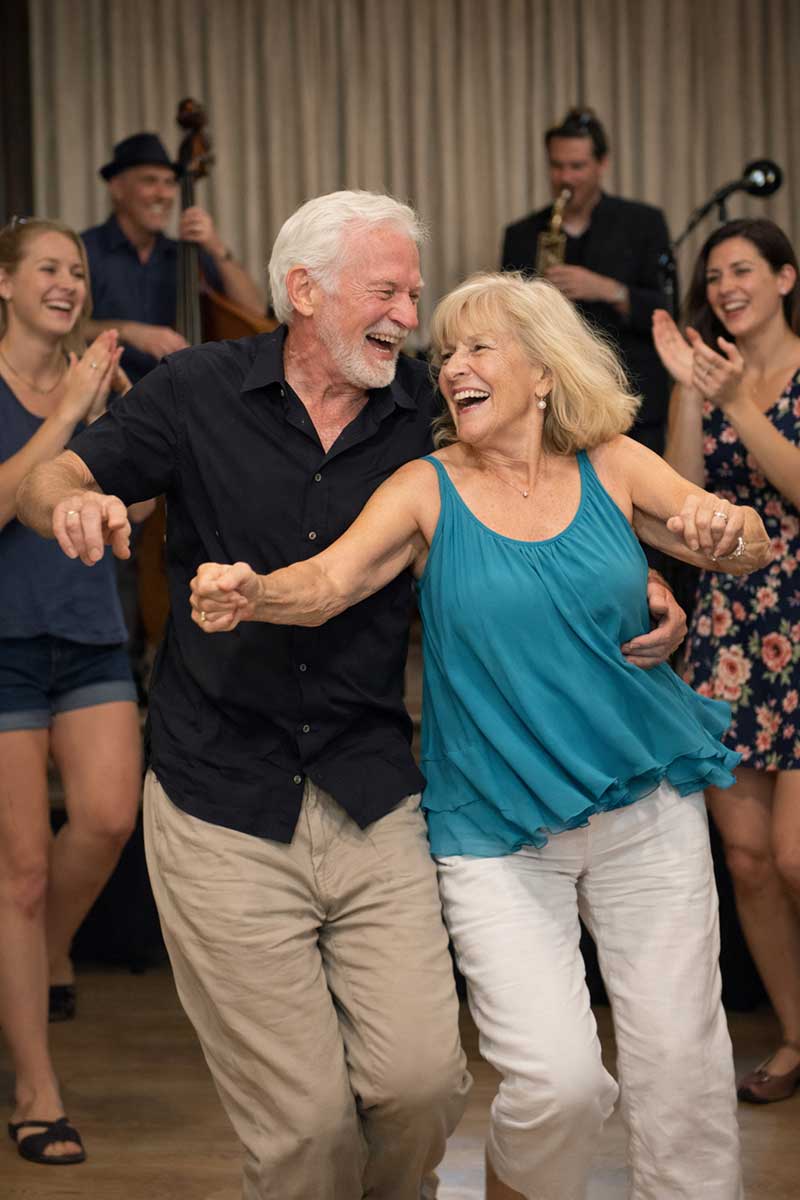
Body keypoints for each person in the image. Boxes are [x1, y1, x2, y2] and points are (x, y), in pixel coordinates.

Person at [15, 192, 685, 1199]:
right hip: (219, 799)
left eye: (413, 292)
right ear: (303, 291)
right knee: (305, 1134)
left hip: (370, 788)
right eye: (388, 289)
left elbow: (547, 488)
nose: (410, 315)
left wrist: (643, 577)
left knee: (420, 1088)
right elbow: (51, 475)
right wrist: (74, 500)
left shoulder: (428, 410)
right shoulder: (197, 389)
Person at [187, 272, 771, 1199]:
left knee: (685, 1072)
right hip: (499, 832)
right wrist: (254, 591)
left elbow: (733, 540)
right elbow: (331, 582)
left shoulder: (612, 462)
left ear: (543, 373)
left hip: (644, 805)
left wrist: (723, 524)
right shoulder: (426, 486)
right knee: (558, 1085)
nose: (452, 365)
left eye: (478, 347)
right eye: (447, 351)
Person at [0, 218, 143, 1165]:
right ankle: (36, 1084)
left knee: (106, 819)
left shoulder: (103, 392)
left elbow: (142, 507)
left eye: (77, 269)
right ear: (4, 284)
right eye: (47, 267)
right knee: (20, 872)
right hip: (3, 643)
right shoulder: (51, 394)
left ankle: (40, 955)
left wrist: (124, 435)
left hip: (90, 632)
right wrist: (68, 415)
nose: (67, 281)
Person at [653, 217, 800, 1104]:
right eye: (713, 276)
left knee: (793, 857)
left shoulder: (771, 378)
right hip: (732, 630)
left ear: (786, 278)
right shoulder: (707, 377)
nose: (724, 286)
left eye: (742, 270)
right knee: (744, 859)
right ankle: (794, 1035)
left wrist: (741, 401)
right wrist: (685, 392)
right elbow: (679, 508)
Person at [501, 108, 673, 454]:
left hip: (632, 396)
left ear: (602, 164)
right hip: (554, 404)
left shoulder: (643, 224)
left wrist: (609, 290)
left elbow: (667, 309)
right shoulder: (521, 234)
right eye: (557, 166)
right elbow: (504, 321)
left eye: (577, 167)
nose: (566, 178)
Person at [82, 132, 264, 384]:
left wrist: (217, 247)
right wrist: (129, 332)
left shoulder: (188, 257)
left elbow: (254, 311)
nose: (163, 194)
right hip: (109, 405)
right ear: (117, 188)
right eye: (150, 181)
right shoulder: (84, 251)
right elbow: (64, 330)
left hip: (181, 402)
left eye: (170, 183)